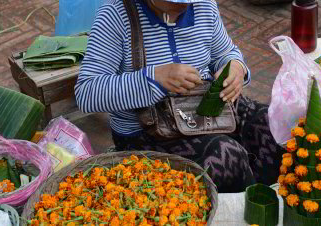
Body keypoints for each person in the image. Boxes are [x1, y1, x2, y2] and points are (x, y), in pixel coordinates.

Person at [75, 0, 284, 193]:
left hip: (203, 110)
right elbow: (87, 93)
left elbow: (225, 53)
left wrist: (236, 68)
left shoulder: (203, 6)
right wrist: (154, 78)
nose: (185, 4)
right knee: (225, 155)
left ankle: (267, 201)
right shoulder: (116, 15)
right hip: (147, 132)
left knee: (272, 123)